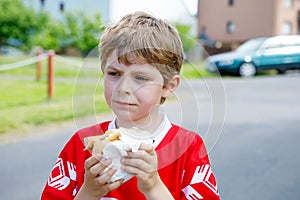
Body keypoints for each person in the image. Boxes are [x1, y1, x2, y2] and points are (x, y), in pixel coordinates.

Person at [41, 11, 220, 200]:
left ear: (168, 86)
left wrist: (153, 186)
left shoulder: (187, 147)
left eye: (141, 78)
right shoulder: (81, 144)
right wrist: (89, 192)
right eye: (114, 74)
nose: (123, 88)